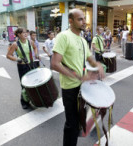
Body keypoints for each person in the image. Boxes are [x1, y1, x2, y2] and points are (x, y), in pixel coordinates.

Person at [51, 8, 104, 146]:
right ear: (70, 20)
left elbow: (89, 57)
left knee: (80, 119)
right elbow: (55, 64)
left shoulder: (82, 39)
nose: (84, 22)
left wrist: (97, 64)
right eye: (80, 19)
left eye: (84, 19)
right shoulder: (63, 36)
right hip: (70, 88)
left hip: (82, 87)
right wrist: (79, 77)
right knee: (72, 124)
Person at [6, 28, 38, 109]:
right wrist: (17, 59)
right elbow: (8, 55)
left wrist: (36, 54)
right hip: (22, 66)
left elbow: (35, 48)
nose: (26, 34)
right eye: (23, 32)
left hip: (32, 64)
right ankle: (24, 102)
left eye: (26, 32)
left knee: (34, 83)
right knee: (24, 85)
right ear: (19, 34)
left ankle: (34, 99)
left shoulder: (30, 41)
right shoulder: (15, 44)